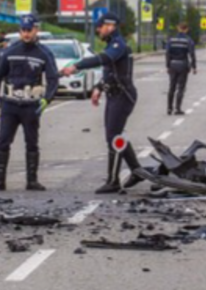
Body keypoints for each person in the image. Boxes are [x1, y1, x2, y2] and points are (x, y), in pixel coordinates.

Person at [62, 12, 146, 194]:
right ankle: (136, 170)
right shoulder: (112, 44)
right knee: (115, 135)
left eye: (100, 27)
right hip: (114, 94)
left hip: (123, 95)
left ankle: (113, 180)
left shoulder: (118, 45)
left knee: (113, 137)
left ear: (110, 26)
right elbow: (111, 73)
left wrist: (76, 66)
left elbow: (104, 59)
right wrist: (99, 88)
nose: (98, 30)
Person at [0, 15, 60, 192]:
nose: (26, 33)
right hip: (10, 104)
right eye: (23, 30)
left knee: (32, 142)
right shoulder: (10, 51)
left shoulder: (44, 53)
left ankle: (32, 180)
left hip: (31, 106)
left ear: (36, 30)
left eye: (29, 30)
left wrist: (47, 99)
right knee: (2, 141)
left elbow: (53, 79)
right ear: (20, 31)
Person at [164, 22, 198, 115]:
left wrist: (168, 65)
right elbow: (192, 54)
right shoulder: (188, 40)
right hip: (183, 64)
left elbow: (167, 53)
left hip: (173, 64)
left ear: (178, 28)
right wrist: (194, 67)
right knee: (181, 87)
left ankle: (169, 108)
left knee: (172, 87)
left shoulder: (171, 39)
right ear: (186, 29)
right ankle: (177, 108)